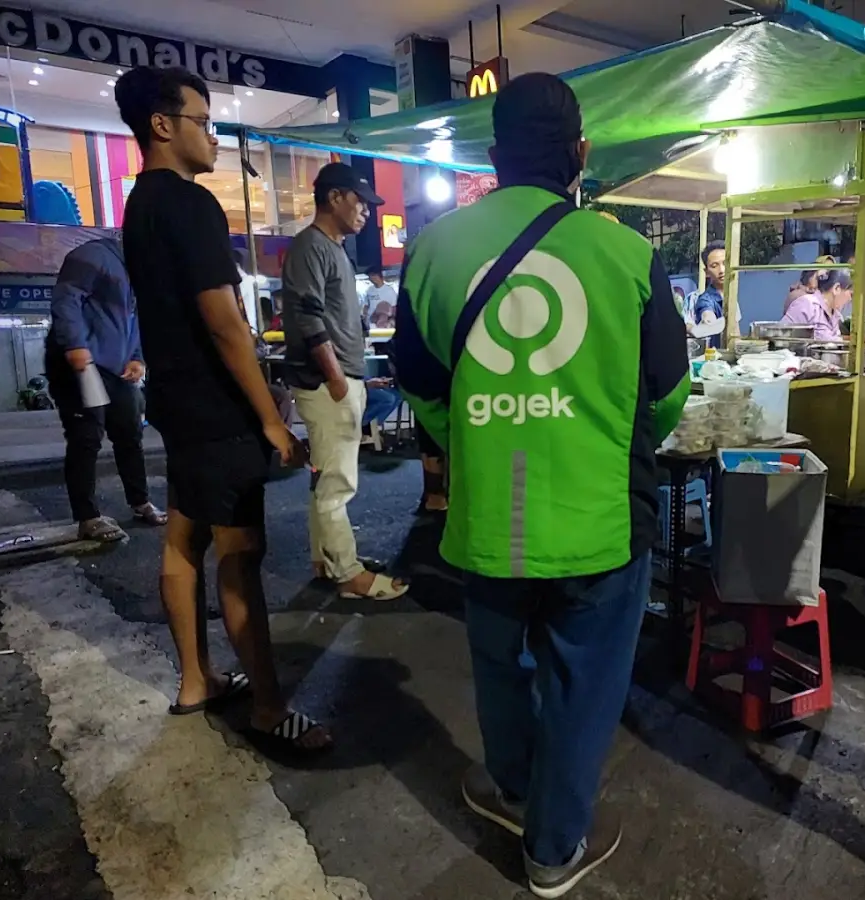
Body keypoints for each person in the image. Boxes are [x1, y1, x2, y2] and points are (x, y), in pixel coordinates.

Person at [393, 72, 689, 898]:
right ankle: (553, 850)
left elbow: (413, 379)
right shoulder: (628, 254)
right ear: (581, 154)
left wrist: (470, 440)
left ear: (493, 157)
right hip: (600, 522)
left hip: (489, 520)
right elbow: (667, 392)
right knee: (584, 685)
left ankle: (513, 789)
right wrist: (611, 441)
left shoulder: (436, 250)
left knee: (499, 666)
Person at [115, 65, 329, 756]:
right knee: (241, 557)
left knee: (183, 541)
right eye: (204, 122)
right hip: (216, 411)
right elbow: (225, 321)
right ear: (163, 125)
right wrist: (270, 413)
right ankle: (268, 709)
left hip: (176, 408)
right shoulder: (190, 204)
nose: (212, 137)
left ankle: (196, 680)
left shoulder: (139, 204)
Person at [282, 162, 409, 601]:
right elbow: (307, 315)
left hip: (337, 380)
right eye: (360, 202)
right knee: (337, 482)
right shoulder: (312, 246)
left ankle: (329, 559)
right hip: (326, 383)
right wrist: (337, 378)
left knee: (327, 479)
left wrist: (353, 378)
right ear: (335, 197)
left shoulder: (330, 247)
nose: (367, 213)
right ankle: (347, 573)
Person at [44, 237, 166, 541]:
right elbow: (66, 298)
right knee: (86, 437)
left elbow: (135, 319)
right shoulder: (93, 255)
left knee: (129, 433)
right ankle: (87, 517)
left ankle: (140, 501)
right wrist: (75, 345)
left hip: (116, 368)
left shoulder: (138, 271)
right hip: (80, 362)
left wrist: (137, 357)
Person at [780, 269, 852, 342]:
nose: (850, 299)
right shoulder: (807, 304)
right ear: (837, 288)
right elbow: (781, 335)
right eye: (851, 294)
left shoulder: (835, 314)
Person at [691, 241, 738, 346]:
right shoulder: (705, 300)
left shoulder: (731, 295)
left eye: (725, 263)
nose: (721, 270)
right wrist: (708, 321)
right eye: (714, 265)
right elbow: (707, 315)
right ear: (706, 272)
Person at [363, 265, 397, 329]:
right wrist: (365, 317)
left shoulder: (389, 291)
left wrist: (392, 321)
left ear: (378, 276)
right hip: (370, 322)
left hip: (383, 324)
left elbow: (394, 308)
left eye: (372, 276)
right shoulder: (370, 290)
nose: (370, 279)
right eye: (369, 276)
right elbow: (366, 305)